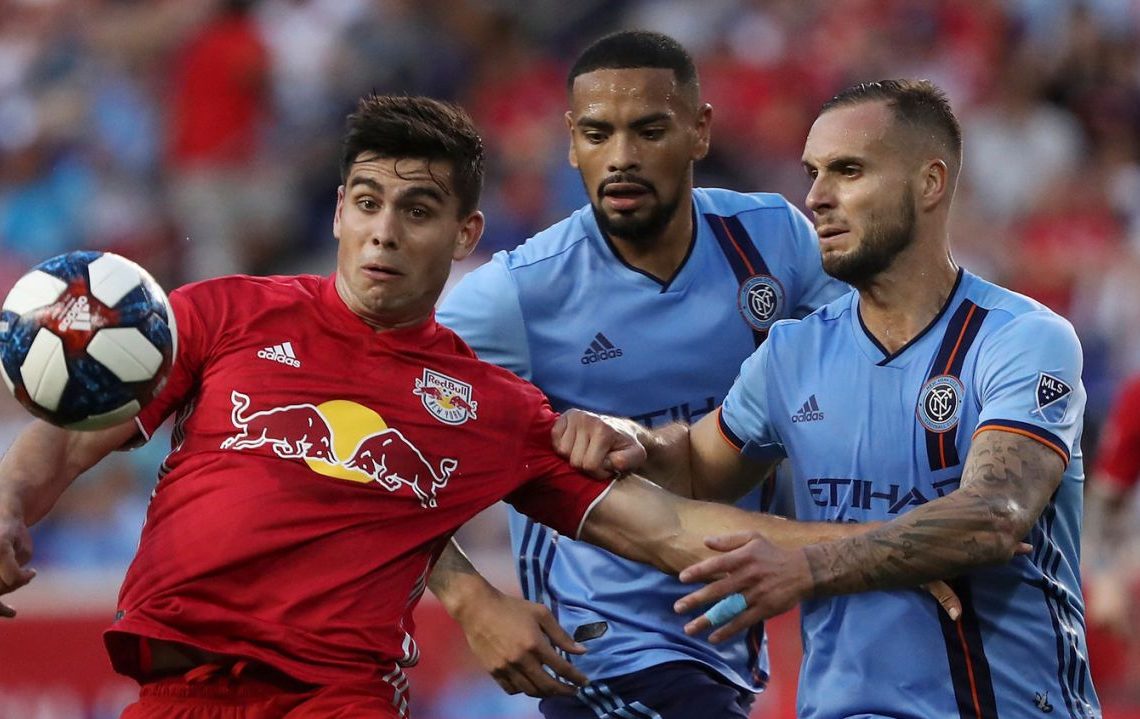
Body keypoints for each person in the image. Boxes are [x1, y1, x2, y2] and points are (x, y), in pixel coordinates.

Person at [0, 93, 915, 719]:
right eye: (368, 203)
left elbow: (671, 528)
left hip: (335, 699)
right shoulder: (225, 312)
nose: (384, 232)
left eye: (417, 209)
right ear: (338, 212)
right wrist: (5, 506)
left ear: (464, 231)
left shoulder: (487, 405)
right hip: (176, 692)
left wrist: (884, 547)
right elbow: (69, 440)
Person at [562, 79, 1102, 718]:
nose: (816, 198)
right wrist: (632, 440)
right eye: (812, 173)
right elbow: (697, 469)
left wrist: (809, 567)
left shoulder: (1021, 339)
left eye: (848, 171)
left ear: (929, 183)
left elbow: (994, 516)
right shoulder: (793, 351)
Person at [428, 30, 846, 718]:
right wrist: (471, 600)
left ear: (699, 131)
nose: (621, 157)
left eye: (649, 131)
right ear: (571, 141)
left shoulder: (773, 240)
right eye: (598, 134)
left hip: (724, 647)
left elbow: (865, 369)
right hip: (604, 656)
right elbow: (372, 440)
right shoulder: (518, 293)